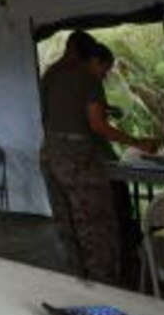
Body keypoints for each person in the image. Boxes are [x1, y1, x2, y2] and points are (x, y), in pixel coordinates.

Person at [40, 40, 157, 284]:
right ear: (95, 61)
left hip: (50, 152)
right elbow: (98, 126)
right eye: (105, 70)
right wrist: (138, 142)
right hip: (77, 157)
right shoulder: (87, 78)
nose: (104, 76)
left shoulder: (52, 76)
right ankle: (104, 282)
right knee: (96, 223)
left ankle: (76, 275)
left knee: (67, 220)